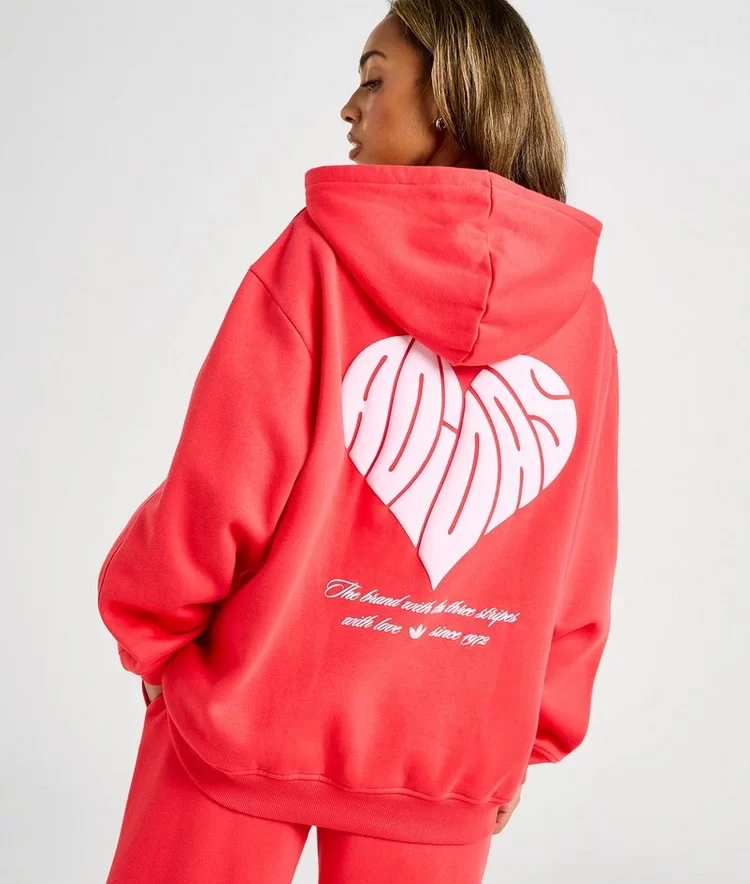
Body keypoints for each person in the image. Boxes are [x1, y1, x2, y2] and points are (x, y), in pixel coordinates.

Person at [97, 2, 619, 882]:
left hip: (238, 718)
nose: (349, 107)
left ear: (448, 100)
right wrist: (527, 733)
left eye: (373, 80)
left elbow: (221, 487)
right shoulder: (580, 313)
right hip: (443, 760)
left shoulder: (317, 258)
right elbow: (580, 554)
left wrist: (152, 628)